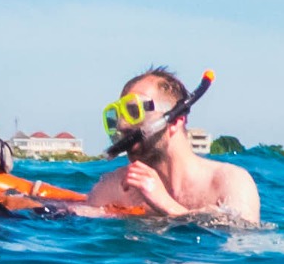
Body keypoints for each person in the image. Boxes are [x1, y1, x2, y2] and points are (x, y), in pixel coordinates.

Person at [87, 67, 260, 223]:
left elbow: (242, 238)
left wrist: (165, 204)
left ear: (176, 120)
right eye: (117, 116)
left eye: (134, 111)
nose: (122, 125)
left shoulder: (230, 182)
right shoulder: (114, 187)